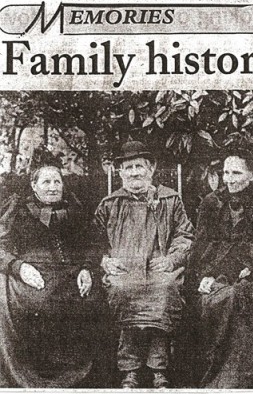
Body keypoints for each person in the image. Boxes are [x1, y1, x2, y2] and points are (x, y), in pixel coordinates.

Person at [93, 141, 194, 388]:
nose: (135, 172)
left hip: (159, 268)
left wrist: (172, 259)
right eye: (128, 167)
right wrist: (104, 260)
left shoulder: (170, 199)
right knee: (124, 291)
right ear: (120, 172)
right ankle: (130, 370)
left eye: (140, 166)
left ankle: (158, 368)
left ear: (151, 169)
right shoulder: (110, 204)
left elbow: (185, 235)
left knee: (164, 290)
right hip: (124, 269)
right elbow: (92, 241)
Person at [0, 155, 96, 388]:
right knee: (36, 303)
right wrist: (18, 267)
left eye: (57, 182)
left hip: (70, 274)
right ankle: (31, 376)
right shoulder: (18, 210)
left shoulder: (76, 211)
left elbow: (93, 244)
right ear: (34, 186)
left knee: (87, 303)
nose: (53, 187)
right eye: (46, 182)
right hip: (30, 274)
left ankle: (74, 376)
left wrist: (87, 268)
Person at [193, 149, 253, 388]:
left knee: (236, 296)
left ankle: (233, 377)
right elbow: (201, 246)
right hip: (214, 273)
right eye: (225, 172)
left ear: (252, 175)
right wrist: (205, 275)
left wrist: (239, 272)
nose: (229, 179)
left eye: (236, 172)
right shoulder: (212, 202)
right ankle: (216, 370)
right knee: (213, 298)